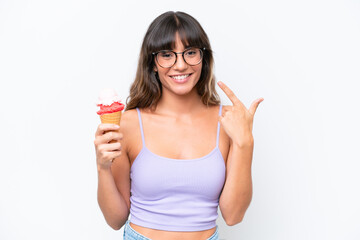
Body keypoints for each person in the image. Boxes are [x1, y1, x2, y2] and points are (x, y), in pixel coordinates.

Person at [94, 11, 263, 240]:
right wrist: (103, 167)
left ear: (203, 59)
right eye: (167, 55)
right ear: (153, 63)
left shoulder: (230, 121)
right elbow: (115, 220)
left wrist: (245, 143)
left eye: (190, 52)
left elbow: (233, 215)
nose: (180, 65)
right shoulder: (129, 123)